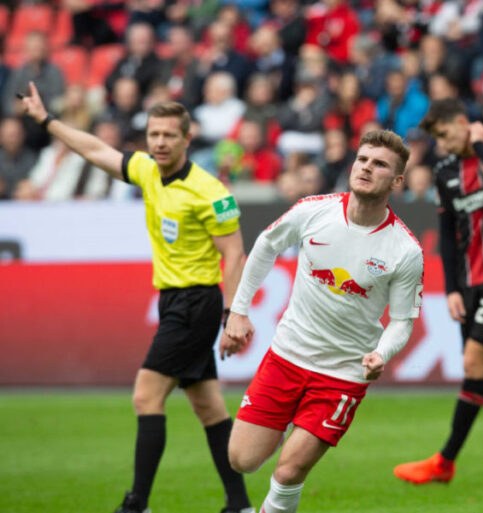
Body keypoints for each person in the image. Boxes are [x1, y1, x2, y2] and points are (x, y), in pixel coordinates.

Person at [18, 82, 253, 513]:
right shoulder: (146, 170)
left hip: (196, 303)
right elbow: (95, 150)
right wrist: (47, 120)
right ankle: (238, 504)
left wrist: (233, 314)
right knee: (208, 407)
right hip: (174, 302)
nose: (159, 142)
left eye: (168, 135)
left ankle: (136, 504)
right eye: (153, 134)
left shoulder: (211, 192)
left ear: (187, 139)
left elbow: (235, 253)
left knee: (146, 396)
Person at [223, 130, 424, 513]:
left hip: (342, 373)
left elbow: (402, 321)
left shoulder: (405, 249)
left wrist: (382, 354)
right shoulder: (314, 210)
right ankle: (289, 424)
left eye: (380, 164)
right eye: (363, 159)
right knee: (241, 459)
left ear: (397, 181)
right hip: (286, 357)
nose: (367, 167)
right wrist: (238, 308)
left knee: (288, 470)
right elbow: (266, 245)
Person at [393, 98, 483, 487]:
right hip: (469, 284)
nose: (442, 144)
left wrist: (481, 144)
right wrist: (452, 289)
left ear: (462, 123)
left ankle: (444, 461)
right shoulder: (444, 172)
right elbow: (448, 236)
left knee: (473, 363)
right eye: (437, 139)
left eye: (445, 134)